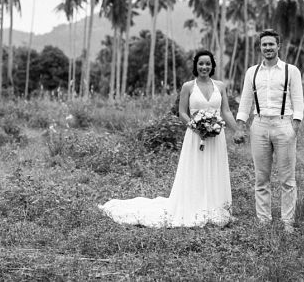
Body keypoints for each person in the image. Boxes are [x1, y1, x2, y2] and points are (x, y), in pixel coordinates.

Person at [99, 49, 240, 227]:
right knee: (196, 169)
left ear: (212, 66)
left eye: (208, 64)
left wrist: (237, 130)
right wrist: (196, 126)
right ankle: (194, 206)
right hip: (195, 135)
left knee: (214, 169)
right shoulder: (188, 86)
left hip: (216, 136)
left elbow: (226, 111)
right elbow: (182, 112)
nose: (204, 67)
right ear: (196, 65)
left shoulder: (220, 86)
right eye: (201, 63)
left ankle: (216, 207)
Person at [235, 29, 304, 233]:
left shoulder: (291, 71)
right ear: (260, 47)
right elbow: (246, 100)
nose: (267, 48)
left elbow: (298, 101)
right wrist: (240, 125)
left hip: (284, 124)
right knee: (261, 177)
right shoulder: (252, 72)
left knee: (287, 178)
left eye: (271, 44)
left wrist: (295, 127)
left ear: (278, 46)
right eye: (264, 44)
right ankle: (264, 221)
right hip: (259, 125)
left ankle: (287, 222)